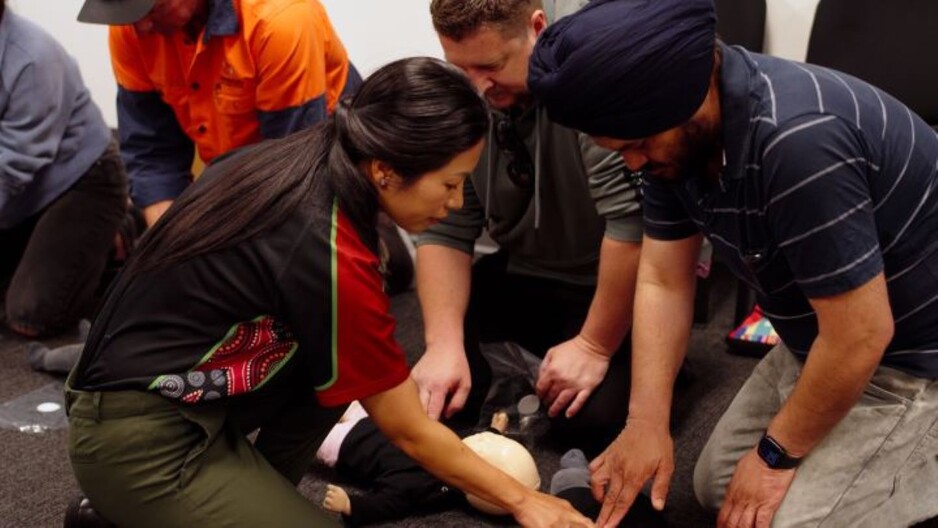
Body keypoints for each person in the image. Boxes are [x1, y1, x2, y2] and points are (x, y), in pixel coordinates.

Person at [65, 57, 591, 528]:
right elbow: (406, 428)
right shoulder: (329, 248)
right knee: (349, 373)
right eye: (450, 183)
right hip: (137, 440)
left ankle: (211, 501)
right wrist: (524, 500)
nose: (456, 202)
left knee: (335, 374)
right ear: (385, 170)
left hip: (179, 391)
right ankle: (138, 509)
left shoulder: (299, 160)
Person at [527, 1, 938, 527]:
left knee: (777, 519)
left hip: (911, 361)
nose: (632, 162)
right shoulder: (672, 132)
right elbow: (663, 278)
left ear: (693, 93)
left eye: (636, 146)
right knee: (716, 490)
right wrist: (645, 422)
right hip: (822, 335)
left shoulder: (800, 142)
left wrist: (774, 457)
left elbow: (861, 335)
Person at [415, 0, 643, 454]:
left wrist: (595, 346)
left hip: (609, 282)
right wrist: (442, 345)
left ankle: (659, 364)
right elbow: (446, 230)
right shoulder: (470, 97)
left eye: (491, 65)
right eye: (460, 68)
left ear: (536, 28)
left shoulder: (590, 88)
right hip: (522, 273)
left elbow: (632, 228)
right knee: (444, 392)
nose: (476, 86)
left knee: (587, 424)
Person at [0, 0, 128, 339]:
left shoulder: (30, 56)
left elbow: (11, 165)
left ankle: (121, 233)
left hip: (84, 182)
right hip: (19, 199)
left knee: (31, 315)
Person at [316, 404, 511, 525]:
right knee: (330, 390)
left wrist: (351, 505)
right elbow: (485, 448)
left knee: (299, 426)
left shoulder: (430, 489)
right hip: (379, 417)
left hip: (347, 444)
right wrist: (494, 432)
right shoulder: (466, 449)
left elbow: (390, 502)